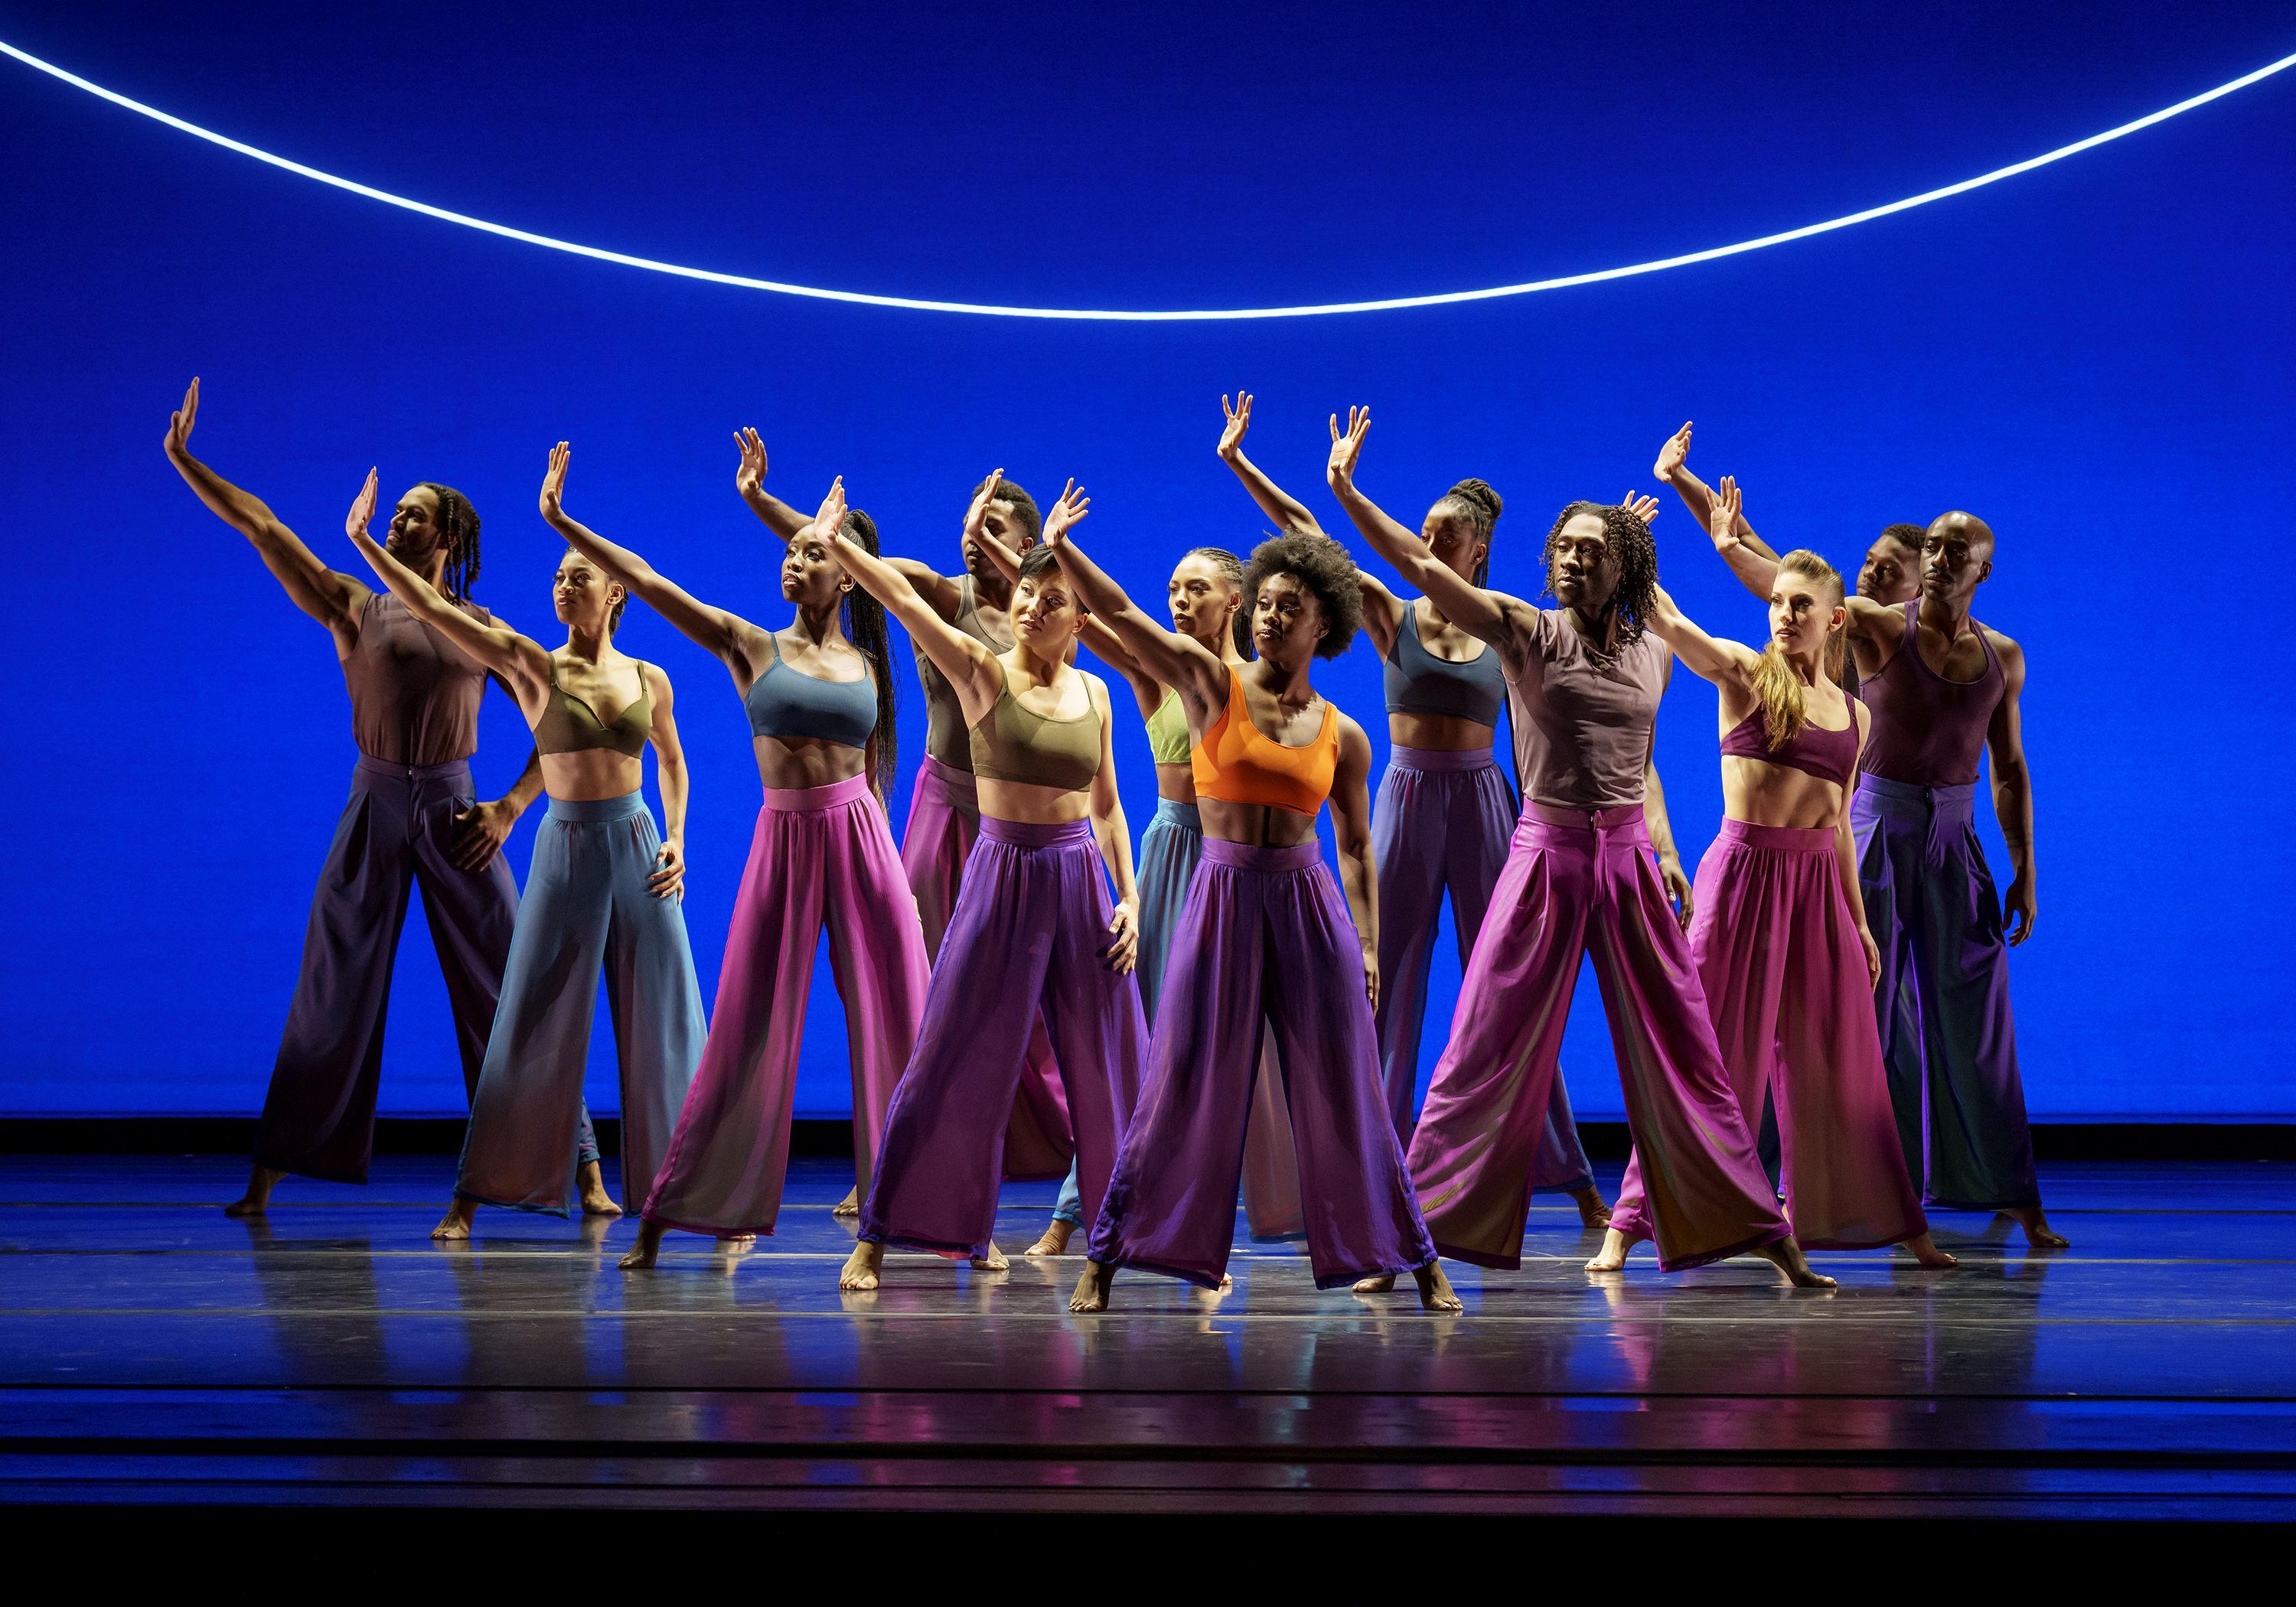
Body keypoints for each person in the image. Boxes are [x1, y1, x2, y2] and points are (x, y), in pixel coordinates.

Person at [1325, 407, 1829, 1289]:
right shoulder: (1523, 630)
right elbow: (1415, 564)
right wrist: (1346, 491)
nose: (1571, 557)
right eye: (1564, 546)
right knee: (1484, 1043)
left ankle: (1763, 1232)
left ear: (1622, 565)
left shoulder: (1652, 654)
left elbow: (1643, 766)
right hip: (1546, 854)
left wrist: (1667, 851)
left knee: (1684, 1046)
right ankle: (1410, 1238)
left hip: (1629, 856)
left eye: (1591, 548)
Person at [160, 379, 612, 1217]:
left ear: (448, 535)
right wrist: (187, 458)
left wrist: (511, 810)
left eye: (412, 514)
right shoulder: (353, 604)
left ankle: (583, 1173)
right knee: (333, 984)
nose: (397, 521)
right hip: (372, 810)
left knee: (510, 989)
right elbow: (264, 528)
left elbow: (566, 731)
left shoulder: (477, 627)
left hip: (455, 812)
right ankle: (266, 1177)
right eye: (393, 513)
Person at [1051, 486, 1461, 1312]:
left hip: (1308, 905)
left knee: (1350, 1083)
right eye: (1265, 604)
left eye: (1291, 608)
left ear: (1325, 627)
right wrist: (1062, 549)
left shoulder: (1344, 733)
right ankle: (1107, 1254)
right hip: (1224, 893)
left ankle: (1419, 1259)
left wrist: (1372, 945)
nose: (1272, 618)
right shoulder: (1209, 681)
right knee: (1181, 1072)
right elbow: (1126, 617)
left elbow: (1353, 845)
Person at [522, 447, 930, 1268]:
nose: (794, 561)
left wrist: (897, 875)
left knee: (905, 1022)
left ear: (848, 574)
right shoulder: (749, 645)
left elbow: (868, 776)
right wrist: (565, 523)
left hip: (863, 839)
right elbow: (650, 579)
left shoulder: (871, 660)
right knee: (745, 1029)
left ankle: (917, 1225)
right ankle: (671, 1217)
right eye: (789, 551)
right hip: (785, 839)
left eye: (813, 553)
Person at [1213, 391, 1610, 1227]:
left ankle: (1569, 1175)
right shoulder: (1390, 615)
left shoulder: (1509, 629)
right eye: (1423, 530)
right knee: (1387, 986)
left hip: (1485, 804)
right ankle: (1377, 1173)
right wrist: (1243, 463)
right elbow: (1306, 535)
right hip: (1406, 797)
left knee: (1508, 986)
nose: (1427, 542)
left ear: (1478, 550)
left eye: (1443, 534)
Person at [341, 469, 706, 1240]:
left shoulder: (652, 678)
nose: (563, 586)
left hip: (639, 844)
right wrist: (366, 543)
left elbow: (673, 762)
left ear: (616, 595)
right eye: (557, 576)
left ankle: (693, 1197)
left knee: (670, 1018)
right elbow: (433, 605)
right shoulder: (530, 663)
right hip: (567, 845)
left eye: (580, 577)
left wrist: (676, 836)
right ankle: (472, 1198)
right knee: (528, 1020)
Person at [1707, 485, 2063, 1247]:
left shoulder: (2002, 657)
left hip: (1955, 846)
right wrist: (1731, 538)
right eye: (1933, 546)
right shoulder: (1875, 627)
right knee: (1848, 1018)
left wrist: (2024, 867)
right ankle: (1782, 1189)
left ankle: (2010, 1189)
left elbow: (2010, 768)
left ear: (1984, 571)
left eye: (1956, 551)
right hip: (1873, 833)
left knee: (1979, 1025)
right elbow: (1793, 589)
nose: (1941, 559)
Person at [1611, 478, 1955, 1266]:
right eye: (1779, 602)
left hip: (1817, 891)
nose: (1784, 614)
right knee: (1705, 1050)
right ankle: (1630, 1221)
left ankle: (1897, 1226)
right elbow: (1666, 620)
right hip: (1743, 877)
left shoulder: (1855, 713)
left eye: (1801, 605)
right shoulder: (1741, 672)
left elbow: (1836, 822)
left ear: (1835, 618)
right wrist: (1634, 549)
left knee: (1841, 1058)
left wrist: (1860, 921)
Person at [821, 480, 1147, 1290]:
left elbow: (1106, 808)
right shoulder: (979, 669)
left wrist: (1131, 897)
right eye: (1029, 594)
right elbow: (900, 597)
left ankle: (1110, 1253)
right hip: (1000, 871)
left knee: (1113, 1065)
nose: (1035, 607)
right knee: (950, 1053)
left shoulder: (1097, 693)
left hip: (1078, 878)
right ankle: (879, 1234)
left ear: (1079, 620)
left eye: (1052, 599)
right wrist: (837, 544)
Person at [960, 498, 1301, 1259]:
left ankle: (1255, 1205)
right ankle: (1077, 1213)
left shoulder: (1261, 680)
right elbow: (1096, 619)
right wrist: (1011, 546)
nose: (1179, 602)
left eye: (1195, 590)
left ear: (1235, 601)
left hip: (1242, 863)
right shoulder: (1158, 676)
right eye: (1174, 590)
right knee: (1144, 1037)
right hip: (1175, 852)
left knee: (1245, 1034)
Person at [733, 436, 1074, 1196]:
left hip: (1008, 829)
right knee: (908, 992)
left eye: (996, 529)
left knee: (1020, 992)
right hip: (935, 811)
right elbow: (845, 559)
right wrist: (761, 502)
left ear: (1028, 547)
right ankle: (888, 1163)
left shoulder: (1041, 625)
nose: (975, 538)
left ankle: (1052, 1147)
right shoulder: (939, 596)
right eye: (971, 524)